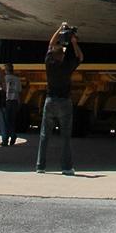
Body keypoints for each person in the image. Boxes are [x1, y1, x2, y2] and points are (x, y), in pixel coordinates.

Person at [35, 23, 83, 175]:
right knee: (65, 136)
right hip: (64, 101)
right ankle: (67, 167)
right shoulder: (66, 66)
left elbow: (51, 44)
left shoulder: (49, 63)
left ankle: (40, 166)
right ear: (61, 56)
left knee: (44, 135)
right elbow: (80, 57)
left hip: (50, 100)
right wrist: (74, 42)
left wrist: (60, 28)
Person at [0, 63, 23, 147]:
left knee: (4, 121)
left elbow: (1, 90)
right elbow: (19, 92)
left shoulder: (4, 79)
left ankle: (5, 139)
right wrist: (19, 103)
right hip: (14, 101)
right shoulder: (17, 79)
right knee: (12, 121)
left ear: (6, 70)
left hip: (6, 102)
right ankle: (13, 134)